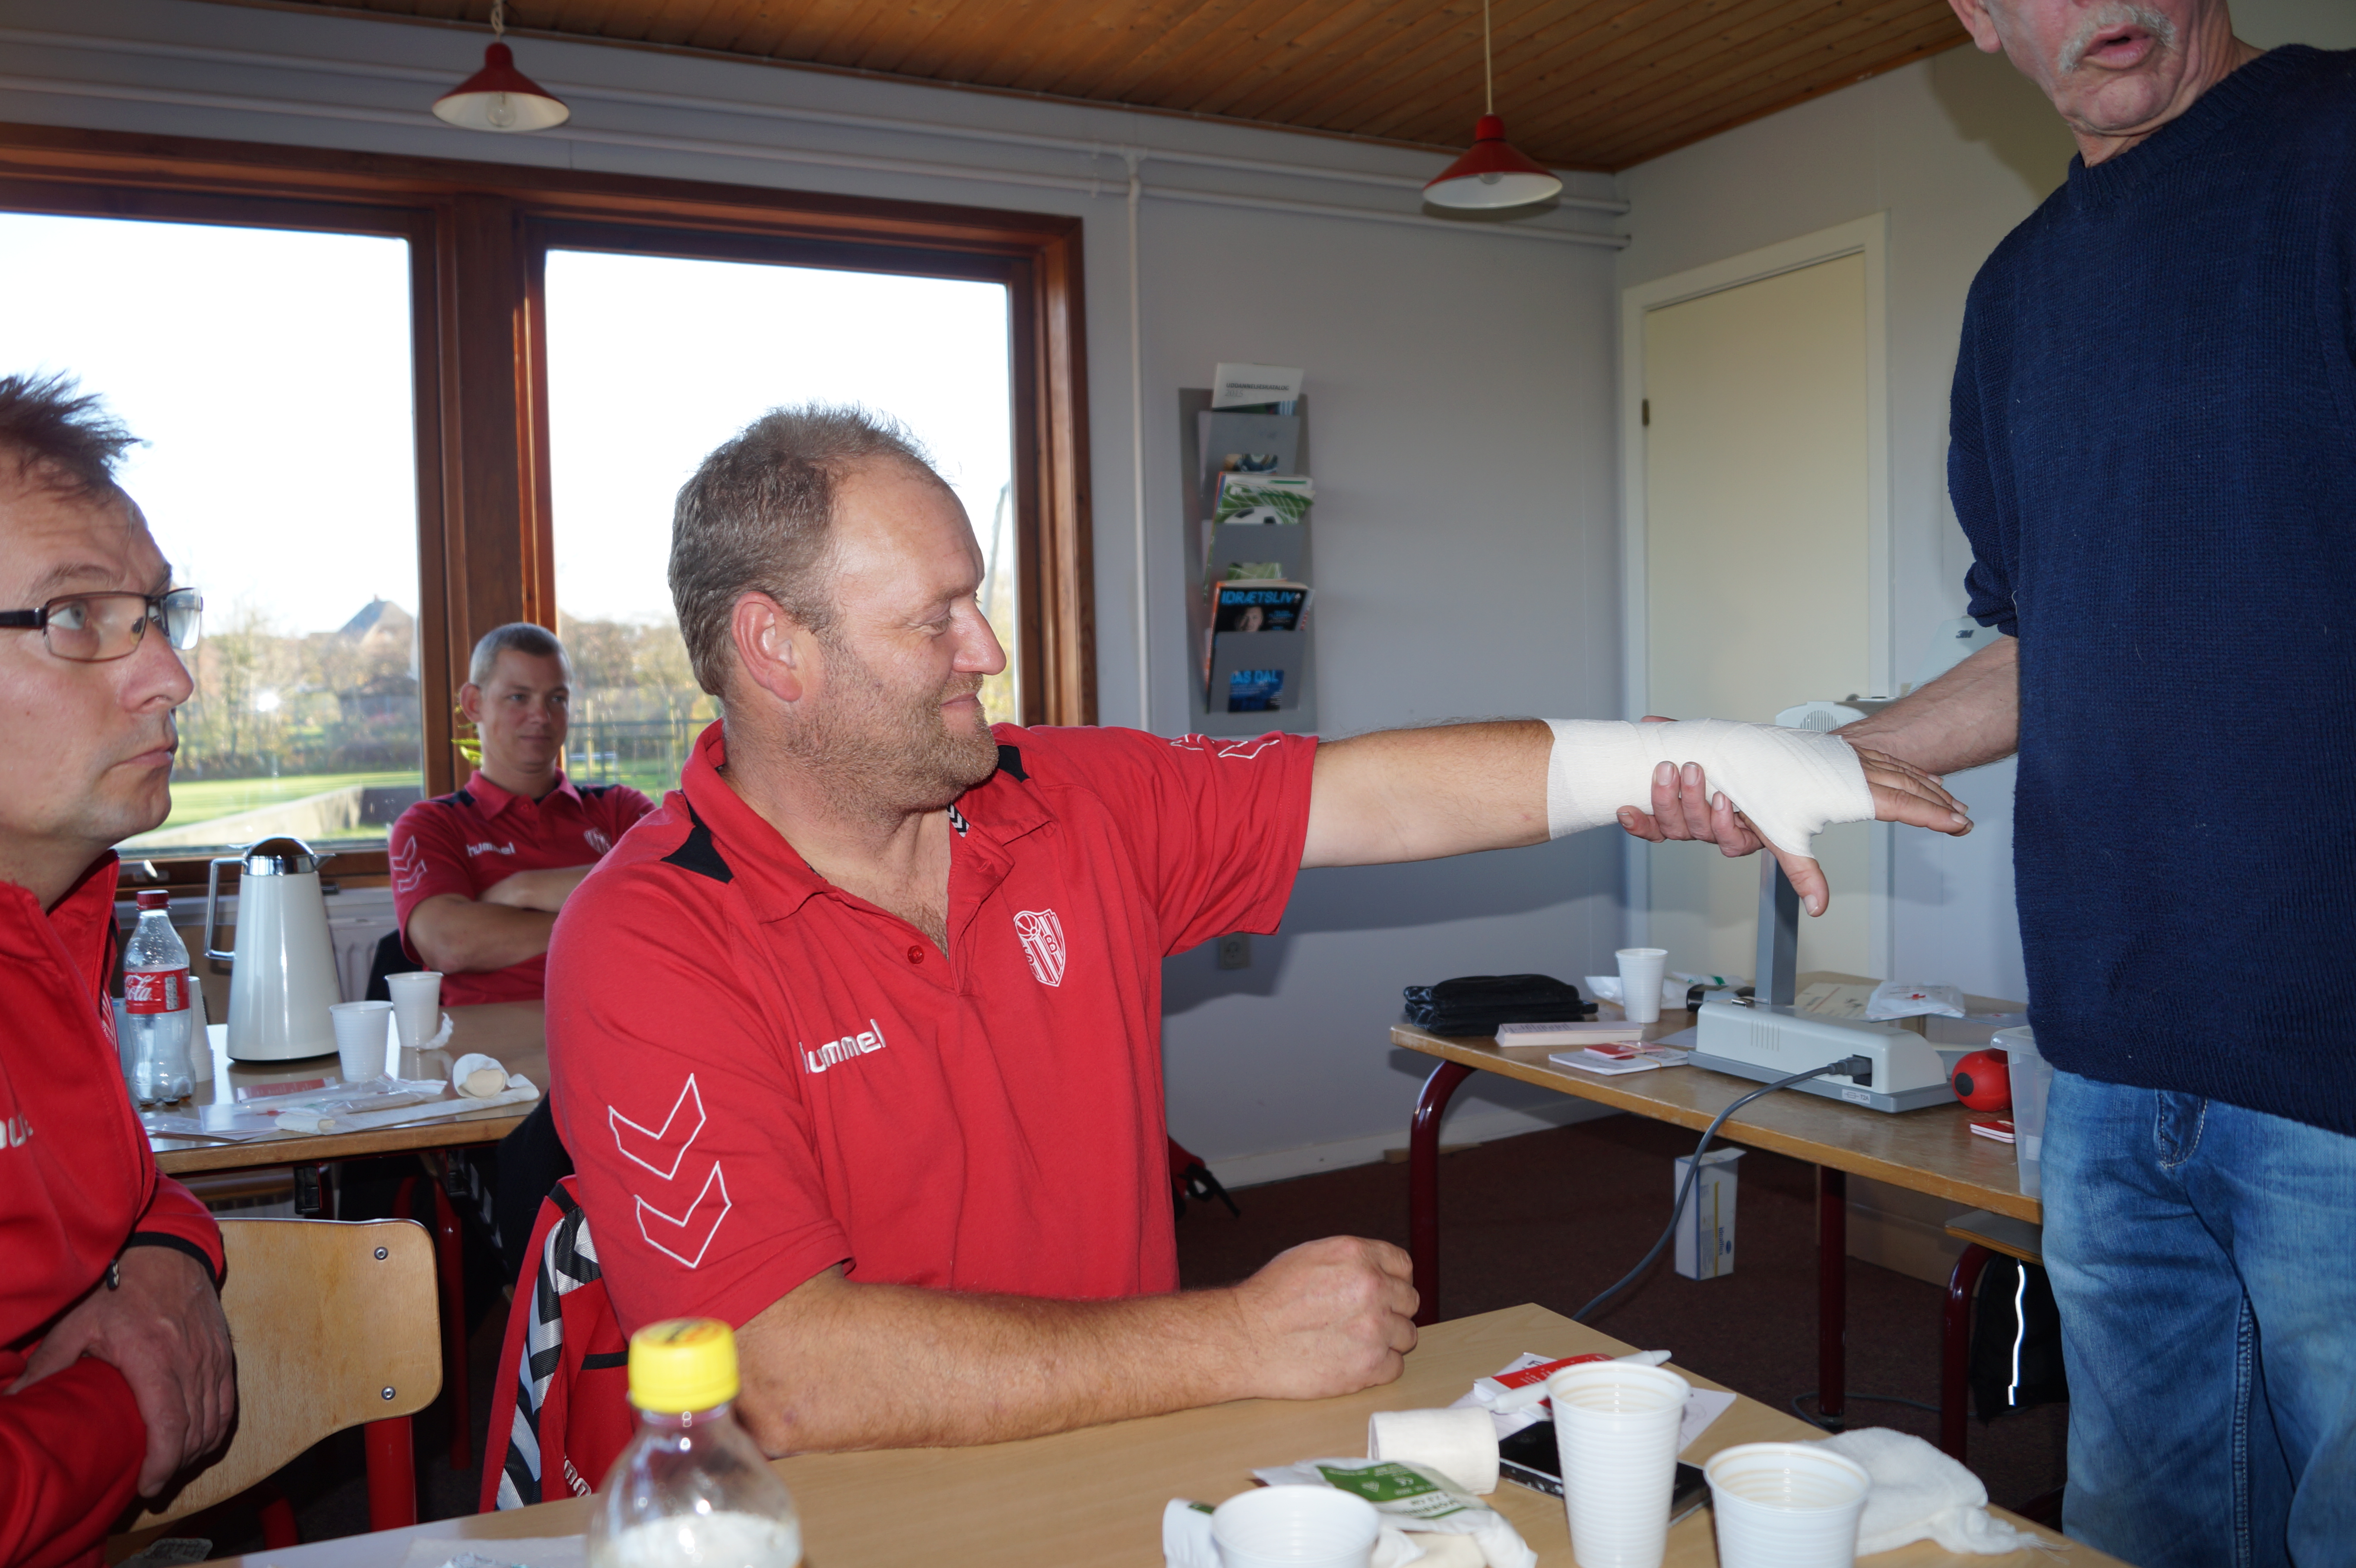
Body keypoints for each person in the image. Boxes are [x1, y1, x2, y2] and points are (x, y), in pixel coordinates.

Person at [547, 405, 1971, 1457]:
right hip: (849, 1518)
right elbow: (790, 1376)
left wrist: (1683, 760)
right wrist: (1232, 1335)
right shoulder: (649, 940)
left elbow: (1368, 795)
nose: (987, 650)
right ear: (776, 649)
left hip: (1132, 1446)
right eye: (936, 621)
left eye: (977, 600)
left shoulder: (1064, 799)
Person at [1624, 9, 2356, 1561]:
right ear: (1976, 15)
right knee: (2133, 1527)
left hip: (2337, 1056)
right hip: (2103, 1053)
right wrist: (1807, 764)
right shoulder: (2020, 293)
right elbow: (2043, 644)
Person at [0, 373, 233, 1567]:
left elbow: (125, 1192)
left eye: (156, 612)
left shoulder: (60, 923)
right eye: (77, 615)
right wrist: (122, 1394)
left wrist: (167, 1255)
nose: (172, 678)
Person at [389, 624, 654, 1007]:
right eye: (518, 697)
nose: (541, 716)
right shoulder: (431, 825)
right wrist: (610, 916)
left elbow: (671, 900)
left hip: (616, 1022)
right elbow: (451, 945)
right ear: (473, 704)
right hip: (487, 1037)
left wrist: (522, 890)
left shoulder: (621, 810)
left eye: (557, 699)